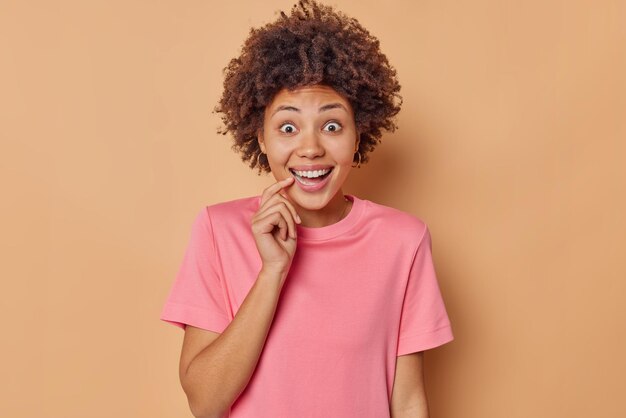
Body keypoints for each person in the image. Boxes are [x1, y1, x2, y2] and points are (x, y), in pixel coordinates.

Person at [159, 1, 454, 417]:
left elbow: (407, 401)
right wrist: (272, 272)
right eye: (287, 127)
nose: (311, 147)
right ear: (260, 138)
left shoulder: (403, 240)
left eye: (332, 126)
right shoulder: (218, 230)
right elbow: (205, 404)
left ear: (357, 136)